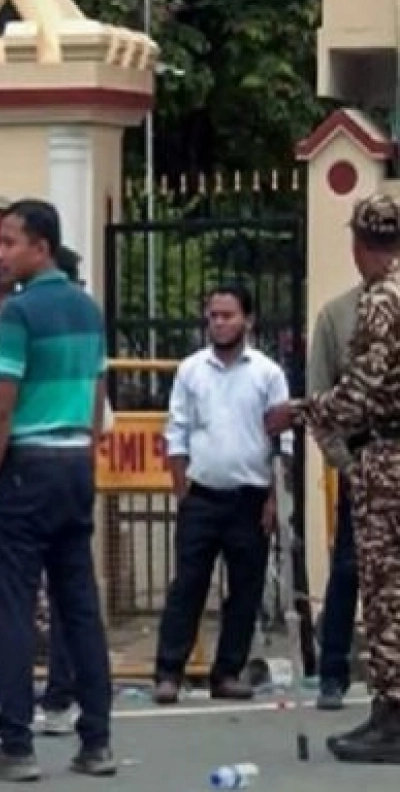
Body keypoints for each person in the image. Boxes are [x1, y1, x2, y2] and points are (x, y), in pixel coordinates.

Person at [0, 199, 115, 781]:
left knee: (11, 605)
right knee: (78, 604)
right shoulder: (87, 309)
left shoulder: (19, 314)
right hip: (75, 464)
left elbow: (2, 404)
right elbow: (97, 390)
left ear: (41, 246)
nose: (1, 254)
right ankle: (98, 741)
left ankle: (16, 742)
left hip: (27, 465)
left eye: (10, 243)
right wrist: (84, 453)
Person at [266, 193, 400, 764]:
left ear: (357, 244)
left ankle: (392, 717)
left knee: (387, 593)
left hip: (389, 460)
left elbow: (361, 394)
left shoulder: (381, 302)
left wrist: (298, 413)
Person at [152, 285, 292, 704]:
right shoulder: (191, 370)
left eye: (228, 315)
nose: (219, 322)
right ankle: (168, 672)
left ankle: (227, 672)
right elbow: (176, 431)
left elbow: (282, 442)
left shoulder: (267, 374)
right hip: (202, 495)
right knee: (188, 586)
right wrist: (181, 490)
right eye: (213, 315)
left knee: (245, 590)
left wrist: (273, 499)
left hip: (249, 496)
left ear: (247, 320)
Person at [0, 249, 78, 729]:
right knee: (55, 594)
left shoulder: (19, 326)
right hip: (61, 465)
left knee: (26, 598)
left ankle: (26, 712)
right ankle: (67, 713)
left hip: (23, 467)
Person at [308, 281, 363, 710]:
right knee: (349, 566)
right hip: (363, 460)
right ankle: (333, 673)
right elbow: (319, 397)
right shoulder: (338, 315)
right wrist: (344, 462)